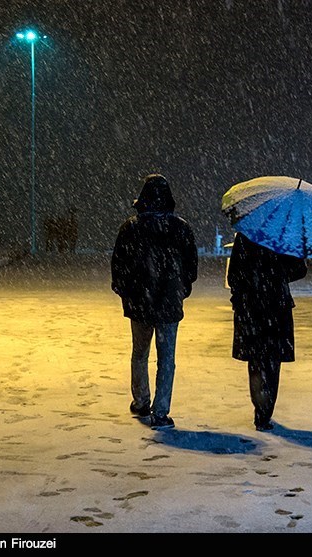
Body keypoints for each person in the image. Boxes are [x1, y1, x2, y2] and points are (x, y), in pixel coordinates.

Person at [111, 173, 198, 430]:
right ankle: (161, 412)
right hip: (169, 302)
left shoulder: (131, 228)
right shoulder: (181, 228)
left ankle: (141, 401)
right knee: (166, 358)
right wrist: (180, 289)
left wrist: (126, 291)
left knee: (140, 352)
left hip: (139, 301)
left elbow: (119, 265)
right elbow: (191, 267)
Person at [227, 232, 307, 431]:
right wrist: (277, 272)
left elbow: (233, 275)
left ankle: (260, 407)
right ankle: (265, 411)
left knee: (256, 360)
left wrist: (245, 289)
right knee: (272, 361)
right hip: (276, 304)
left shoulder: (245, 235)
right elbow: (299, 269)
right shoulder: (284, 234)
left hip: (250, 305)